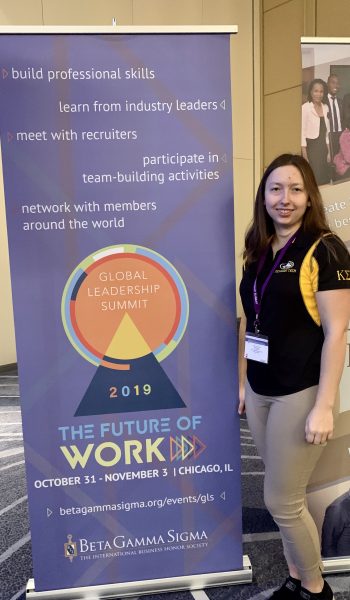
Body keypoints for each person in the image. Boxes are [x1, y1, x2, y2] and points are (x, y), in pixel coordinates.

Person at [238, 153, 350, 600]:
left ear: (310, 197)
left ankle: (316, 589)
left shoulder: (325, 248)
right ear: (264, 196)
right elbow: (250, 319)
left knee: (281, 502)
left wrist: (325, 405)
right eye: (276, 189)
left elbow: (338, 330)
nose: (285, 199)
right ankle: (295, 577)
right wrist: (243, 380)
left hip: (299, 392)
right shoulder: (259, 248)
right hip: (262, 390)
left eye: (296, 189)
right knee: (280, 492)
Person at [301, 79, 331, 185]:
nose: (319, 94)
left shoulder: (326, 107)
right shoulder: (305, 108)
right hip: (311, 149)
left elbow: (327, 133)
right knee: (314, 180)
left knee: (325, 179)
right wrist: (305, 157)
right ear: (311, 92)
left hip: (323, 148)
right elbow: (302, 133)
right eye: (316, 91)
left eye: (321, 91)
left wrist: (329, 152)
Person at [325, 74, 342, 160]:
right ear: (328, 84)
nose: (336, 85)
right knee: (329, 161)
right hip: (329, 135)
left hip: (340, 135)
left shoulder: (341, 101)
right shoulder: (323, 101)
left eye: (337, 83)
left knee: (340, 161)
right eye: (333, 82)